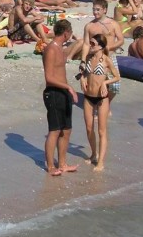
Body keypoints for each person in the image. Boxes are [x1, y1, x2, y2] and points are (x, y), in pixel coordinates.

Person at [42, 19, 82, 176]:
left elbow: (76, 48)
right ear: (66, 33)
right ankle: (51, 166)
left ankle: (63, 163)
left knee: (66, 130)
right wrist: (69, 87)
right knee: (55, 130)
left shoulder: (61, 49)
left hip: (64, 93)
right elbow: (49, 77)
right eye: (70, 33)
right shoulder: (51, 49)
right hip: (53, 93)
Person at [80, 33, 120, 171]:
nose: (90, 46)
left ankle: (100, 162)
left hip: (102, 98)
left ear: (100, 46)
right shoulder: (89, 58)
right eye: (90, 43)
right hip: (88, 97)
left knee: (101, 131)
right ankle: (93, 154)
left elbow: (117, 77)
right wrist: (82, 79)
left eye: (92, 44)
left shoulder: (107, 60)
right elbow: (84, 74)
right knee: (89, 128)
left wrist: (105, 83)